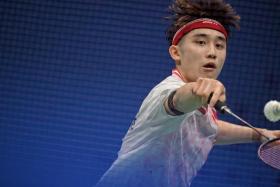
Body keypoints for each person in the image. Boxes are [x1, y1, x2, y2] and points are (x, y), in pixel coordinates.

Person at [95, 0, 280, 187]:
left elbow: (209, 130)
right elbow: (178, 100)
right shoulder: (166, 91)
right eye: (200, 42)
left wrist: (260, 134)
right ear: (176, 53)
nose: (212, 52)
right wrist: (198, 91)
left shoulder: (202, 111)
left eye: (219, 45)